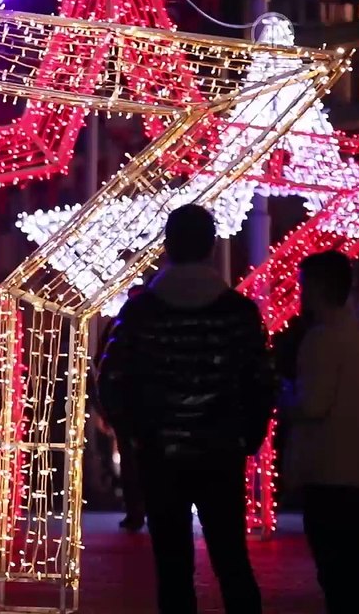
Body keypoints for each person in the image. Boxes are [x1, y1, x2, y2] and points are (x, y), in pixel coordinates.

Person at [99, 205, 276, 614]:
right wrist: (247, 436)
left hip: (161, 455)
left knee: (173, 569)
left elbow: (112, 377)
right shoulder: (239, 312)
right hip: (221, 452)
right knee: (232, 561)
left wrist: (136, 435)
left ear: (168, 246)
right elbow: (261, 380)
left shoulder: (142, 311)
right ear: (211, 247)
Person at [286, 251, 359, 614]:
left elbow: (312, 405)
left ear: (315, 287)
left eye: (303, 286)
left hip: (329, 472)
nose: (299, 294)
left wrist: (282, 393)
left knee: (335, 572)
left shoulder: (320, 341)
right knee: (357, 566)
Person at [92, 284, 147, 531]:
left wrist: (106, 407)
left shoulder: (118, 325)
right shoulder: (155, 325)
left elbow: (101, 364)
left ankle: (135, 511)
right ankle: (145, 509)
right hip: (149, 405)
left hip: (126, 405)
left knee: (130, 460)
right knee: (147, 460)